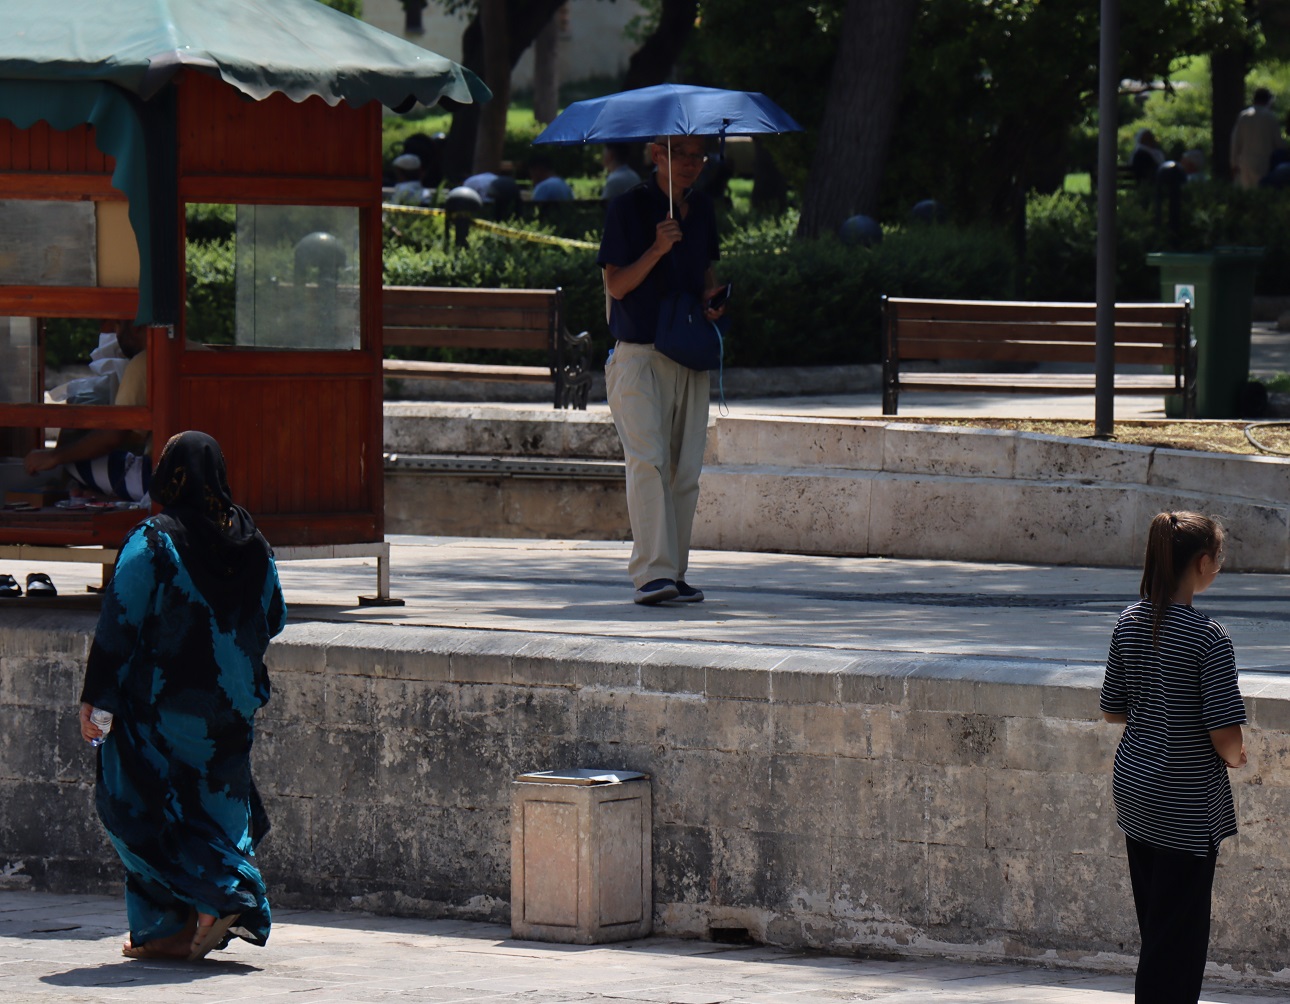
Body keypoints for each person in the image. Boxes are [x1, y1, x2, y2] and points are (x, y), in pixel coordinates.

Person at [79, 431, 287, 961]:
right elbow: (275, 615)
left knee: (132, 805)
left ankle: (215, 898)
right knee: (217, 812)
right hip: (230, 711)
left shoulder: (154, 539)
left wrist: (96, 698)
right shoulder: (253, 541)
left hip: (160, 707)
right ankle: (180, 927)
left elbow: (119, 621)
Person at [1099, 511, 1247, 1003]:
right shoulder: (1209, 636)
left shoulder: (1129, 621)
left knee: (1157, 926)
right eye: (1218, 558)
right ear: (1204, 563)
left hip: (1136, 791)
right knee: (1178, 943)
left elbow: (1113, 711)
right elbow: (1224, 732)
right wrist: (1238, 755)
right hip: (1184, 803)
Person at [598, 135, 727, 605]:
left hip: (687, 354)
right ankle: (652, 573)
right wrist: (656, 248)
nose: (692, 165)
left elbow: (703, 275)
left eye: (699, 156)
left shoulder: (702, 208)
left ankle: (674, 571)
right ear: (657, 155)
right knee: (648, 462)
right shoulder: (629, 208)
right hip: (639, 354)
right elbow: (616, 284)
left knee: (685, 470)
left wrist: (711, 299)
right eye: (681, 155)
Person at [24, 320, 150, 502]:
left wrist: (52, 457)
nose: (116, 334)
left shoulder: (143, 364)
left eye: (118, 326)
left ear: (137, 326)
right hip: (199, 470)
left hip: (160, 476)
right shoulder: (197, 354)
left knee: (73, 460)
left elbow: (114, 436)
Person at [1230, 87, 1286, 188]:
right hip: (1264, 162)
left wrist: (1234, 163)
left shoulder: (1243, 116)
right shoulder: (1270, 117)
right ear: (1268, 101)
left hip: (1244, 162)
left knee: (1246, 193)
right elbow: (1279, 143)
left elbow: (1235, 141)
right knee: (1261, 193)